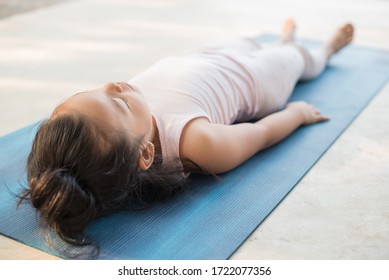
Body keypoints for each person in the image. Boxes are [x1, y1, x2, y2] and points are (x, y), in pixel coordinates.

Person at [18, 19, 354, 253]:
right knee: (299, 60)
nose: (114, 84)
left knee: (245, 41)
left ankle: (281, 38)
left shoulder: (111, 121)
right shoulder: (195, 142)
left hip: (202, 58)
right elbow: (260, 133)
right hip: (257, 79)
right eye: (117, 101)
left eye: (94, 90)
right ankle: (323, 50)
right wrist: (296, 114)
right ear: (145, 154)